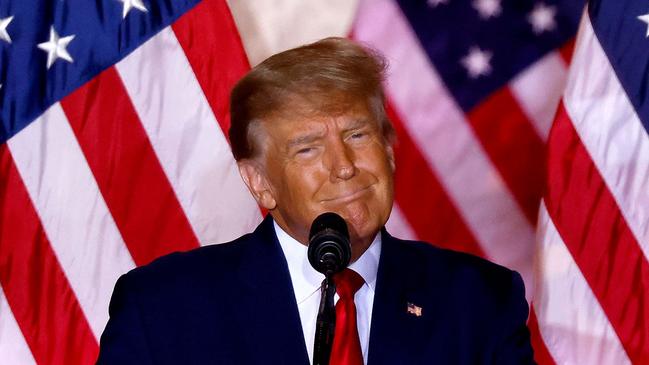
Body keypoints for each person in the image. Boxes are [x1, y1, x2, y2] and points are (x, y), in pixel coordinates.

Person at [96, 37, 534, 364]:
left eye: (357, 135)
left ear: (389, 150)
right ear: (259, 182)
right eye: (308, 148)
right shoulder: (163, 310)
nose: (344, 166)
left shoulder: (479, 302)